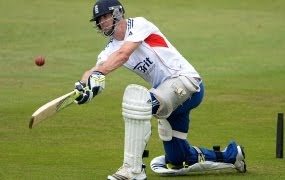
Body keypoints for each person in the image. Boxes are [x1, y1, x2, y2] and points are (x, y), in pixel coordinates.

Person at [74, 0, 246, 179]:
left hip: (186, 82)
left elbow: (123, 55)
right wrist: (83, 85)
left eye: (105, 17)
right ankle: (232, 156)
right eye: (98, 20)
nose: (101, 23)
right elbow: (93, 70)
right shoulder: (109, 49)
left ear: (117, 13)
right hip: (166, 93)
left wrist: (98, 74)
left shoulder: (139, 24)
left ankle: (133, 170)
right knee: (177, 159)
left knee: (141, 104)